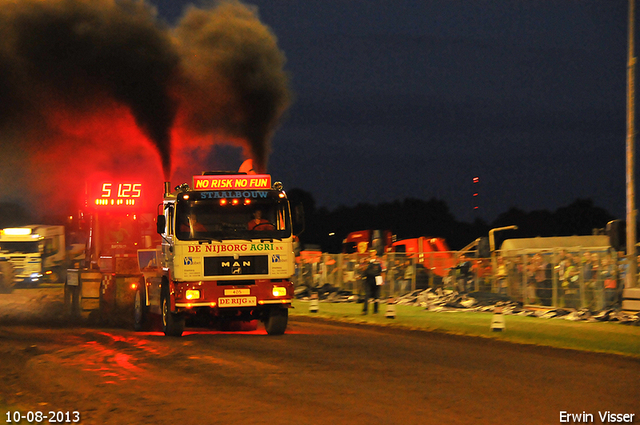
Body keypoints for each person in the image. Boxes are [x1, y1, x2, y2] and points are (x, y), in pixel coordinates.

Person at [361, 250, 382, 314]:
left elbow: (382, 271)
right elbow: (363, 269)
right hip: (368, 280)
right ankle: (365, 310)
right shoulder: (366, 261)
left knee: (376, 296)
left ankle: (375, 311)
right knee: (367, 295)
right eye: (370, 252)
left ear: (375, 253)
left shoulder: (379, 261)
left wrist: (381, 281)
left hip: (377, 279)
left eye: (373, 252)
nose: (371, 254)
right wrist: (366, 263)